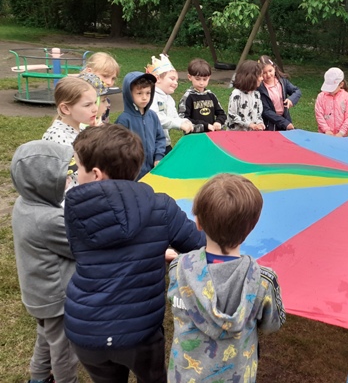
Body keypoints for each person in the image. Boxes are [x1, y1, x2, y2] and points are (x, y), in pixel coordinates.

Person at [63, 124, 205, 383]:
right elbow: (199, 245)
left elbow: (82, 251)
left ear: (96, 174)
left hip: (87, 330)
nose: (74, 173)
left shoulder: (73, 209)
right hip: (141, 332)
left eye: (78, 166)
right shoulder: (162, 207)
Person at [167, 173, 286, 382]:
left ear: (198, 222)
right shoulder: (263, 281)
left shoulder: (178, 268)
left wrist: (178, 259)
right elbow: (272, 325)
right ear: (251, 227)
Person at [11, 141, 79, 383]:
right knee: (64, 351)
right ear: (43, 182)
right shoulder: (48, 219)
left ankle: (38, 377)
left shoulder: (24, 203)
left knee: (45, 339)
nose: (70, 180)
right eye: (63, 177)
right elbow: (79, 247)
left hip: (38, 295)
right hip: (56, 298)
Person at [43, 77, 98, 189]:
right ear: (66, 109)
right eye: (87, 105)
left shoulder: (82, 128)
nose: (95, 109)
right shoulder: (57, 138)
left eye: (95, 103)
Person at [115, 71, 165, 180]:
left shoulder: (153, 116)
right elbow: (117, 148)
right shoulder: (124, 120)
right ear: (129, 94)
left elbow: (160, 138)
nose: (144, 97)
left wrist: (158, 156)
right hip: (132, 175)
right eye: (139, 93)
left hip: (152, 171)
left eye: (148, 93)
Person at [146, 54, 193, 154]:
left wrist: (185, 121)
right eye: (172, 79)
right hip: (150, 145)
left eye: (177, 80)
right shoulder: (151, 96)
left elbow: (174, 117)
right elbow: (156, 118)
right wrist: (179, 124)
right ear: (157, 78)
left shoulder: (169, 99)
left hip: (164, 143)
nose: (176, 83)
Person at [178, 58, 226, 133]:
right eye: (198, 79)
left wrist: (218, 122)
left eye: (205, 79)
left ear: (209, 77)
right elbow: (183, 119)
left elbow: (222, 114)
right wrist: (205, 126)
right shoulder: (188, 97)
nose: (201, 83)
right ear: (189, 77)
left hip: (211, 135)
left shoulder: (211, 95)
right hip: (194, 136)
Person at [258, 55, 301, 131]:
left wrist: (291, 100)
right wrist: (284, 123)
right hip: (269, 124)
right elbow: (266, 111)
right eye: (264, 73)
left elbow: (297, 91)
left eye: (270, 71)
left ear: (274, 68)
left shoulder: (282, 81)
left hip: (285, 118)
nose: (268, 75)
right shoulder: (260, 88)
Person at [314, 67, 348, 137]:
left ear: (341, 84)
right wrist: (326, 130)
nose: (330, 90)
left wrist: (341, 132)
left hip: (341, 136)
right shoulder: (321, 97)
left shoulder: (347, 97)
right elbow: (319, 115)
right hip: (324, 135)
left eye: (332, 88)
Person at [227, 59, 266, 131]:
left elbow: (258, 114)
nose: (262, 78)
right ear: (251, 77)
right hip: (236, 134)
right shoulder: (236, 94)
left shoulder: (256, 94)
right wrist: (249, 124)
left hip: (252, 134)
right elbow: (232, 115)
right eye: (260, 76)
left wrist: (260, 123)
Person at [82, 52, 120, 123]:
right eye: (105, 76)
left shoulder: (107, 101)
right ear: (89, 72)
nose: (109, 82)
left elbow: (104, 123)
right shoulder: (78, 99)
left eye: (113, 78)